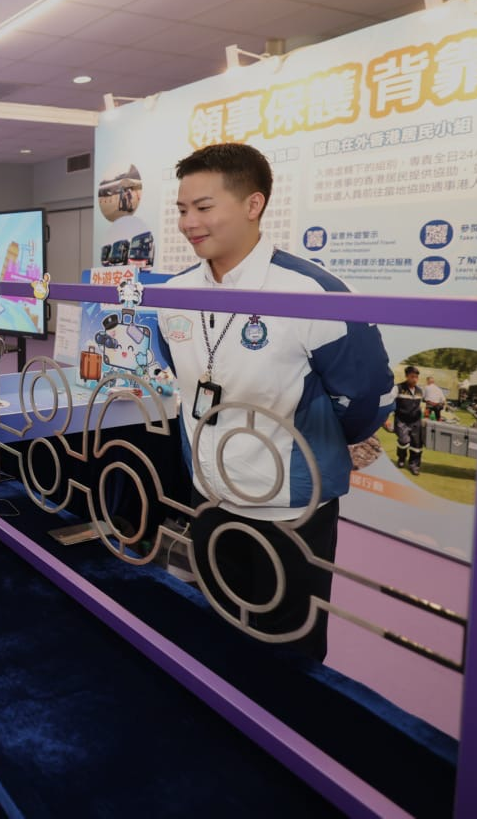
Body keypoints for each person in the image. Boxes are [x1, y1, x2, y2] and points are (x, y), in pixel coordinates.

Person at [155, 142, 392, 663]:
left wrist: (327, 440)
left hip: (291, 506)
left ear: (253, 204)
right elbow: (180, 373)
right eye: (181, 209)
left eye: (203, 207)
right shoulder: (171, 293)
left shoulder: (313, 292)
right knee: (218, 621)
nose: (188, 222)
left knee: (289, 648)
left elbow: (368, 396)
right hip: (209, 492)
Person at [389, 366, 426, 476]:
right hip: (402, 420)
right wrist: (386, 418)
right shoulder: (398, 388)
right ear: (407, 376)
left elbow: (422, 405)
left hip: (416, 421)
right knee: (404, 441)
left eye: (416, 377)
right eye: (412, 377)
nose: (414, 379)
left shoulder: (420, 391)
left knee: (417, 444)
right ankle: (401, 458)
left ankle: (414, 465)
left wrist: (423, 417)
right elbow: (390, 403)